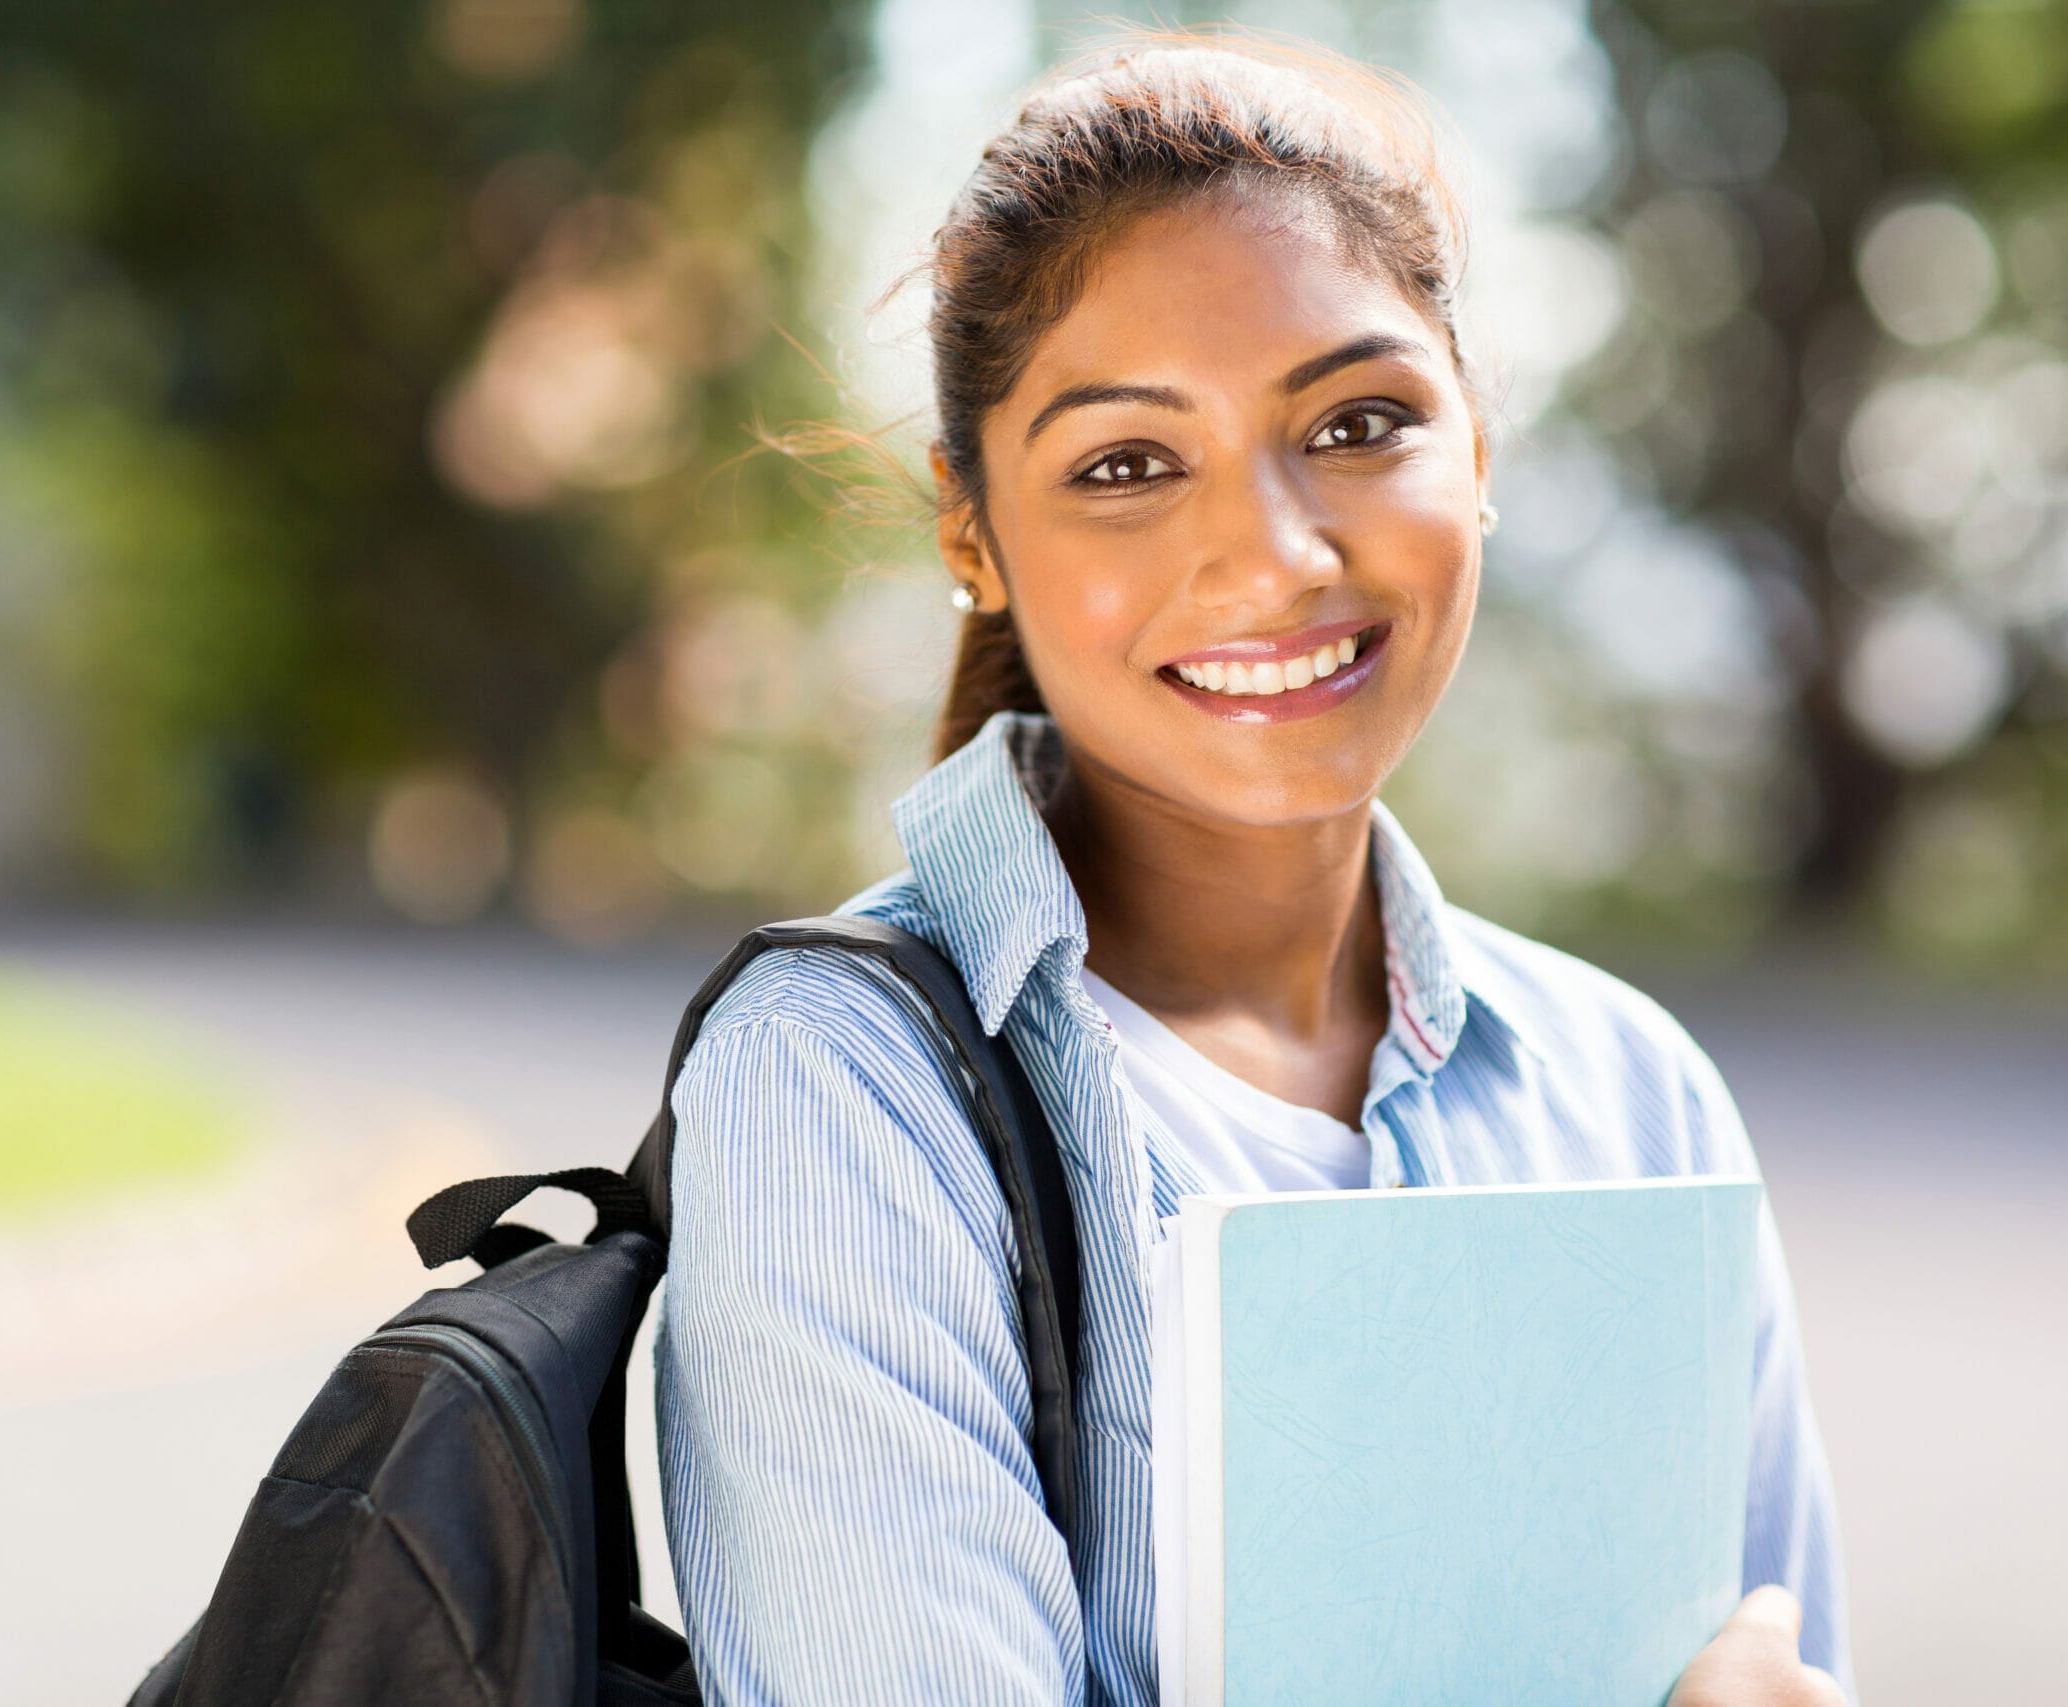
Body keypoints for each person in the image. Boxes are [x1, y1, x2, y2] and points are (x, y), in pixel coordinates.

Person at [652, 28, 1857, 1707]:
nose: (1278, 555)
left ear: (1482, 452)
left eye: (1360, 421)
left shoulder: (1633, 1094)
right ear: (971, 533)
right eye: (1127, 465)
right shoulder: (843, 1094)